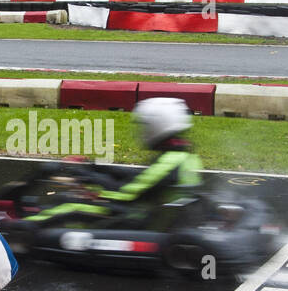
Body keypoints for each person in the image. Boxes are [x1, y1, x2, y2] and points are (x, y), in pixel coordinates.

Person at [21, 97, 202, 230]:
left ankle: (21, 228)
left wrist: (86, 179)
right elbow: (137, 178)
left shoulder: (169, 162)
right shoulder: (181, 156)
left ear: (158, 125)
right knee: (69, 198)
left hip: (140, 217)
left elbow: (126, 193)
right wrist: (92, 166)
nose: (142, 132)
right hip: (151, 213)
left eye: (145, 126)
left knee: (70, 204)